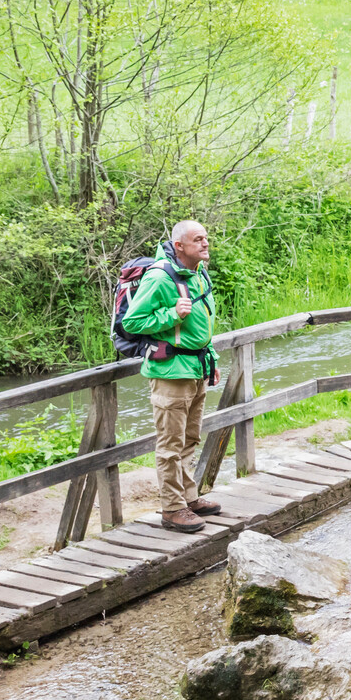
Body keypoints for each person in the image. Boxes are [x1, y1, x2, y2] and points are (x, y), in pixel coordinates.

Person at [121, 219, 222, 532]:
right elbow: (132, 322)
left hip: (196, 368)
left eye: (206, 238)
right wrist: (170, 314)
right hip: (170, 372)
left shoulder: (197, 273)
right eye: (198, 239)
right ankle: (172, 509)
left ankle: (189, 498)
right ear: (179, 245)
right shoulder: (160, 277)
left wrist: (212, 358)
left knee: (189, 439)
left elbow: (201, 325)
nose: (205, 243)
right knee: (169, 446)